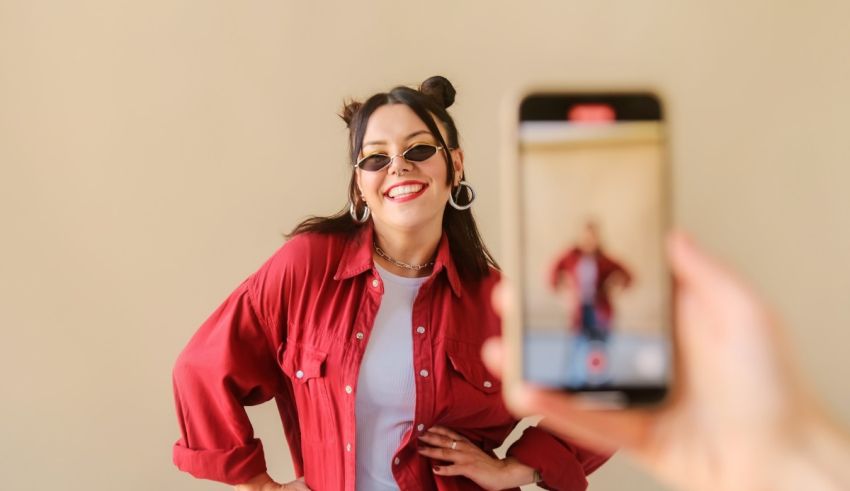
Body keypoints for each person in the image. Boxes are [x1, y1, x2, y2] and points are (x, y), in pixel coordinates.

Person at [171, 76, 609, 491]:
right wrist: (256, 483)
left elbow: (610, 388)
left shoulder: (496, 301)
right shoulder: (308, 268)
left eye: (419, 149)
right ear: (360, 185)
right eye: (376, 158)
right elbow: (201, 369)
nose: (399, 167)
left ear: (455, 165)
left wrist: (514, 470)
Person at [483, 232, 850, 491]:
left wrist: (788, 454)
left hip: (600, 320)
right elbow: (555, 273)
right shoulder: (567, 261)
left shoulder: (497, 292)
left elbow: (621, 274)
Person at [549, 220, 632, 342]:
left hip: (599, 310)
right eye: (586, 237)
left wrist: (613, 287)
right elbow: (552, 272)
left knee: (598, 346)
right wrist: (564, 291)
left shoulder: (604, 260)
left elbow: (628, 275)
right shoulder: (571, 257)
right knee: (579, 344)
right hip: (579, 310)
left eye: (593, 237)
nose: (589, 241)